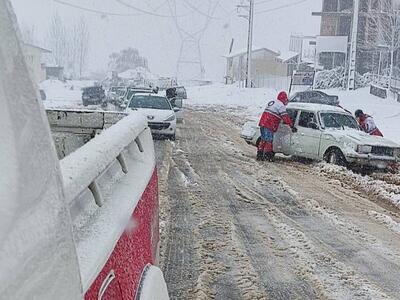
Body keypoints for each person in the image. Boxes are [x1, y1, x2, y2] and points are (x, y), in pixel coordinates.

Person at [257, 91, 296, 161]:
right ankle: (267, 156)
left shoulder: (273, 102)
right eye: (286, 100)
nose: (286, 102)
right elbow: (285, 117)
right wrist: (291, 125)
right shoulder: (281, 105)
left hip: (263, 122)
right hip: (269, 124)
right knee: (269, 141)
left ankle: (259, 155)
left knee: (263, 140)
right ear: (284, 99)